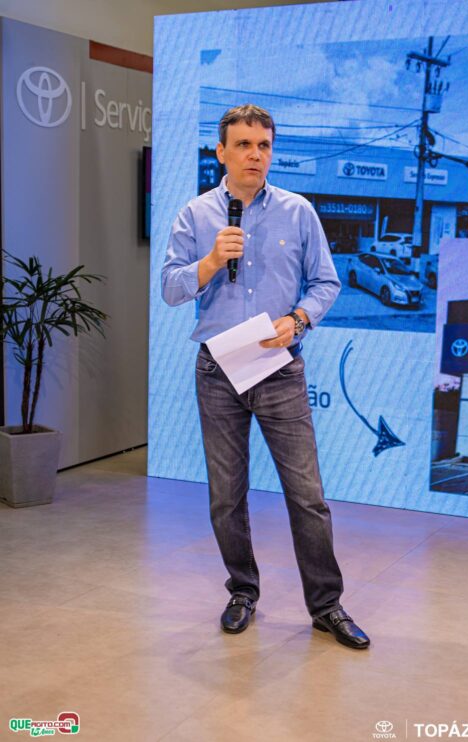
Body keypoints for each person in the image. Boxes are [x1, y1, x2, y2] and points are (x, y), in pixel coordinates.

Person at [162, 104, 370, 649]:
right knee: (225, 497)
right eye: (244, 145)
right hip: (218, 370)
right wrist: (210, 261)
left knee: (307, 496)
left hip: (279, 369)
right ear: (221, 152)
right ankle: (242, 591)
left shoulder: (298, 212)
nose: (255, 155)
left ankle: (326, 605)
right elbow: (170, 288)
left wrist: (297, 319)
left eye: (264, 145)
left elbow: (326, 283)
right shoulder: (195, 215)